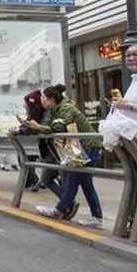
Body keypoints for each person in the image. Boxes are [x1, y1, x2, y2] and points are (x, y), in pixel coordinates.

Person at [30, 85, 104, 228]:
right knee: (85, 182)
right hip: (77, 147)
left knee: (73, 177)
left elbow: (59, 127)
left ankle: (60, 210)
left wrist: (38, 127)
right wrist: (33, 126)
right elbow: (46, 126)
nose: (42, 100)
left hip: (88, 146)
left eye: (44, 98)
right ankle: (96, 217)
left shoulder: (66, 108)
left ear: (51, 100)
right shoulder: (52, 111)